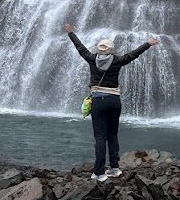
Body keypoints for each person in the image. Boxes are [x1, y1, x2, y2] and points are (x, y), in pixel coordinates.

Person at [64, 23, 160, 182]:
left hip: (98, 101)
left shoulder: (91, 58)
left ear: (98, 49)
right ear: (111, 50)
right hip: (114, 100)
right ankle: (115, 168)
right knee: (113, 134)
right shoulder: (117, 60)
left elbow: (80, 47)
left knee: (100, 137)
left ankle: (99, 173)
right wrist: (148, 43)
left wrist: (71, 33)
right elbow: (133, 54)